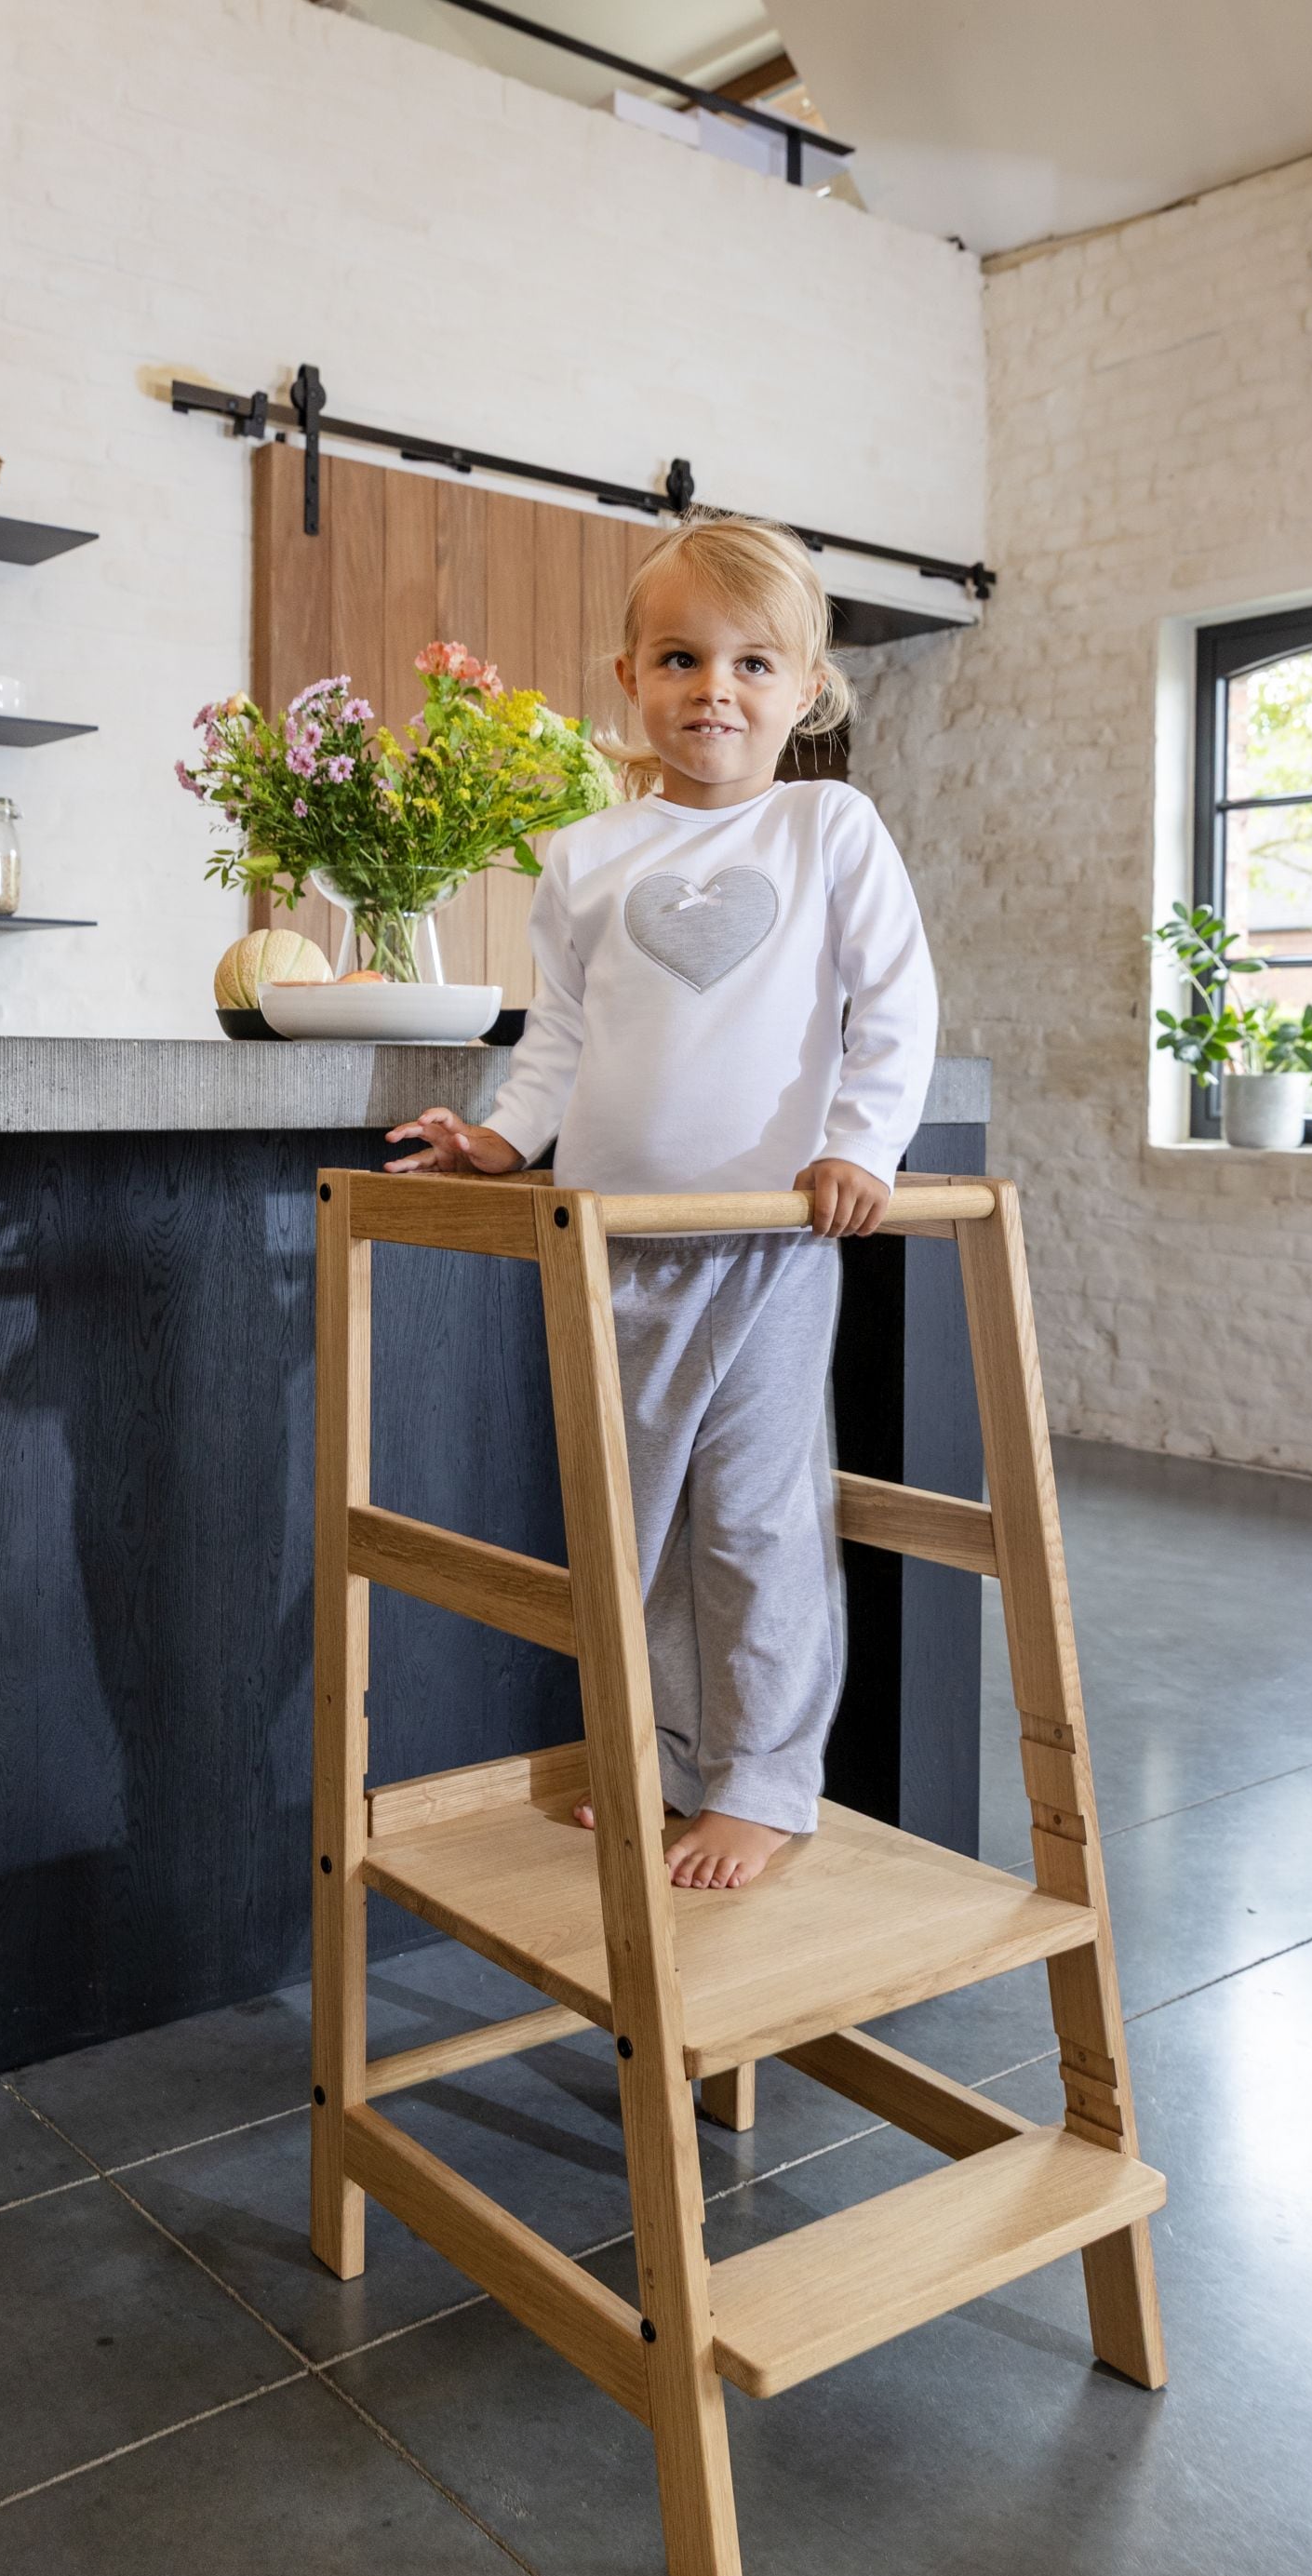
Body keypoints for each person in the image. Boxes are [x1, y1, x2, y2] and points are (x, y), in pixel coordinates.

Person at [385, 514, 937, 1890]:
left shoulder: (830, 827)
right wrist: (505, 1143)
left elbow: (897, 1004)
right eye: (682, 658)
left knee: (752, 1520)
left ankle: (764, 1781)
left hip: (768, 1243)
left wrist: (864, 1143)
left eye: (756, 663)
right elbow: (560, 1042)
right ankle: (666, 1755)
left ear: (808, 687)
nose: (716, 690)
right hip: (608, 1248)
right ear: (629, 678)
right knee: (631, 1527)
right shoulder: (587, 858)